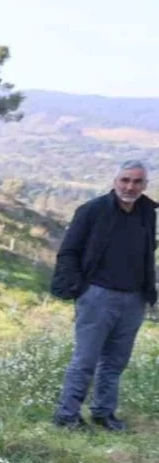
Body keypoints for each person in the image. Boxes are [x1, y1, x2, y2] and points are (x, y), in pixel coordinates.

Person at [50, 160, 155, 431]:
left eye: (137, 182)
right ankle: (67, 416)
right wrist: (80, 290)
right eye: (125, 180)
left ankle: (103, 414)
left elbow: (147, 255)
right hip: (97, 296)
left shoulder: (148, 213)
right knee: (85, 360)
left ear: (145, 185)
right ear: (115, 181)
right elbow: (68, 252)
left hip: (134, 299)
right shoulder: (91, 211)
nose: (130, 186)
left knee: (115, 362)